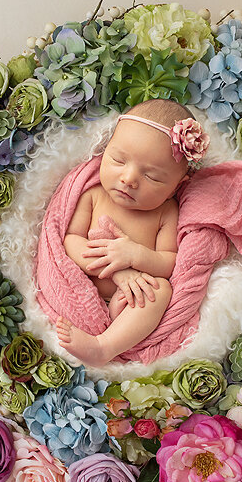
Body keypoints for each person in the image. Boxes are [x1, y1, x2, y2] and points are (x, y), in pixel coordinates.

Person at [56, 98, 209, 364]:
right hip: (83, 293)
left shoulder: (166, 212)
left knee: (160, 290)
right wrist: (118, 270)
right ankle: (98, 339)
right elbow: (69, 241)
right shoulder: (93, 196)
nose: (129, 179)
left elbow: (169, 263)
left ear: (175, 186)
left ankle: (103, 347)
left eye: (152, 176)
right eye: (118, 160)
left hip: (129, 302)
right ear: (105, 151)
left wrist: (135, 255)